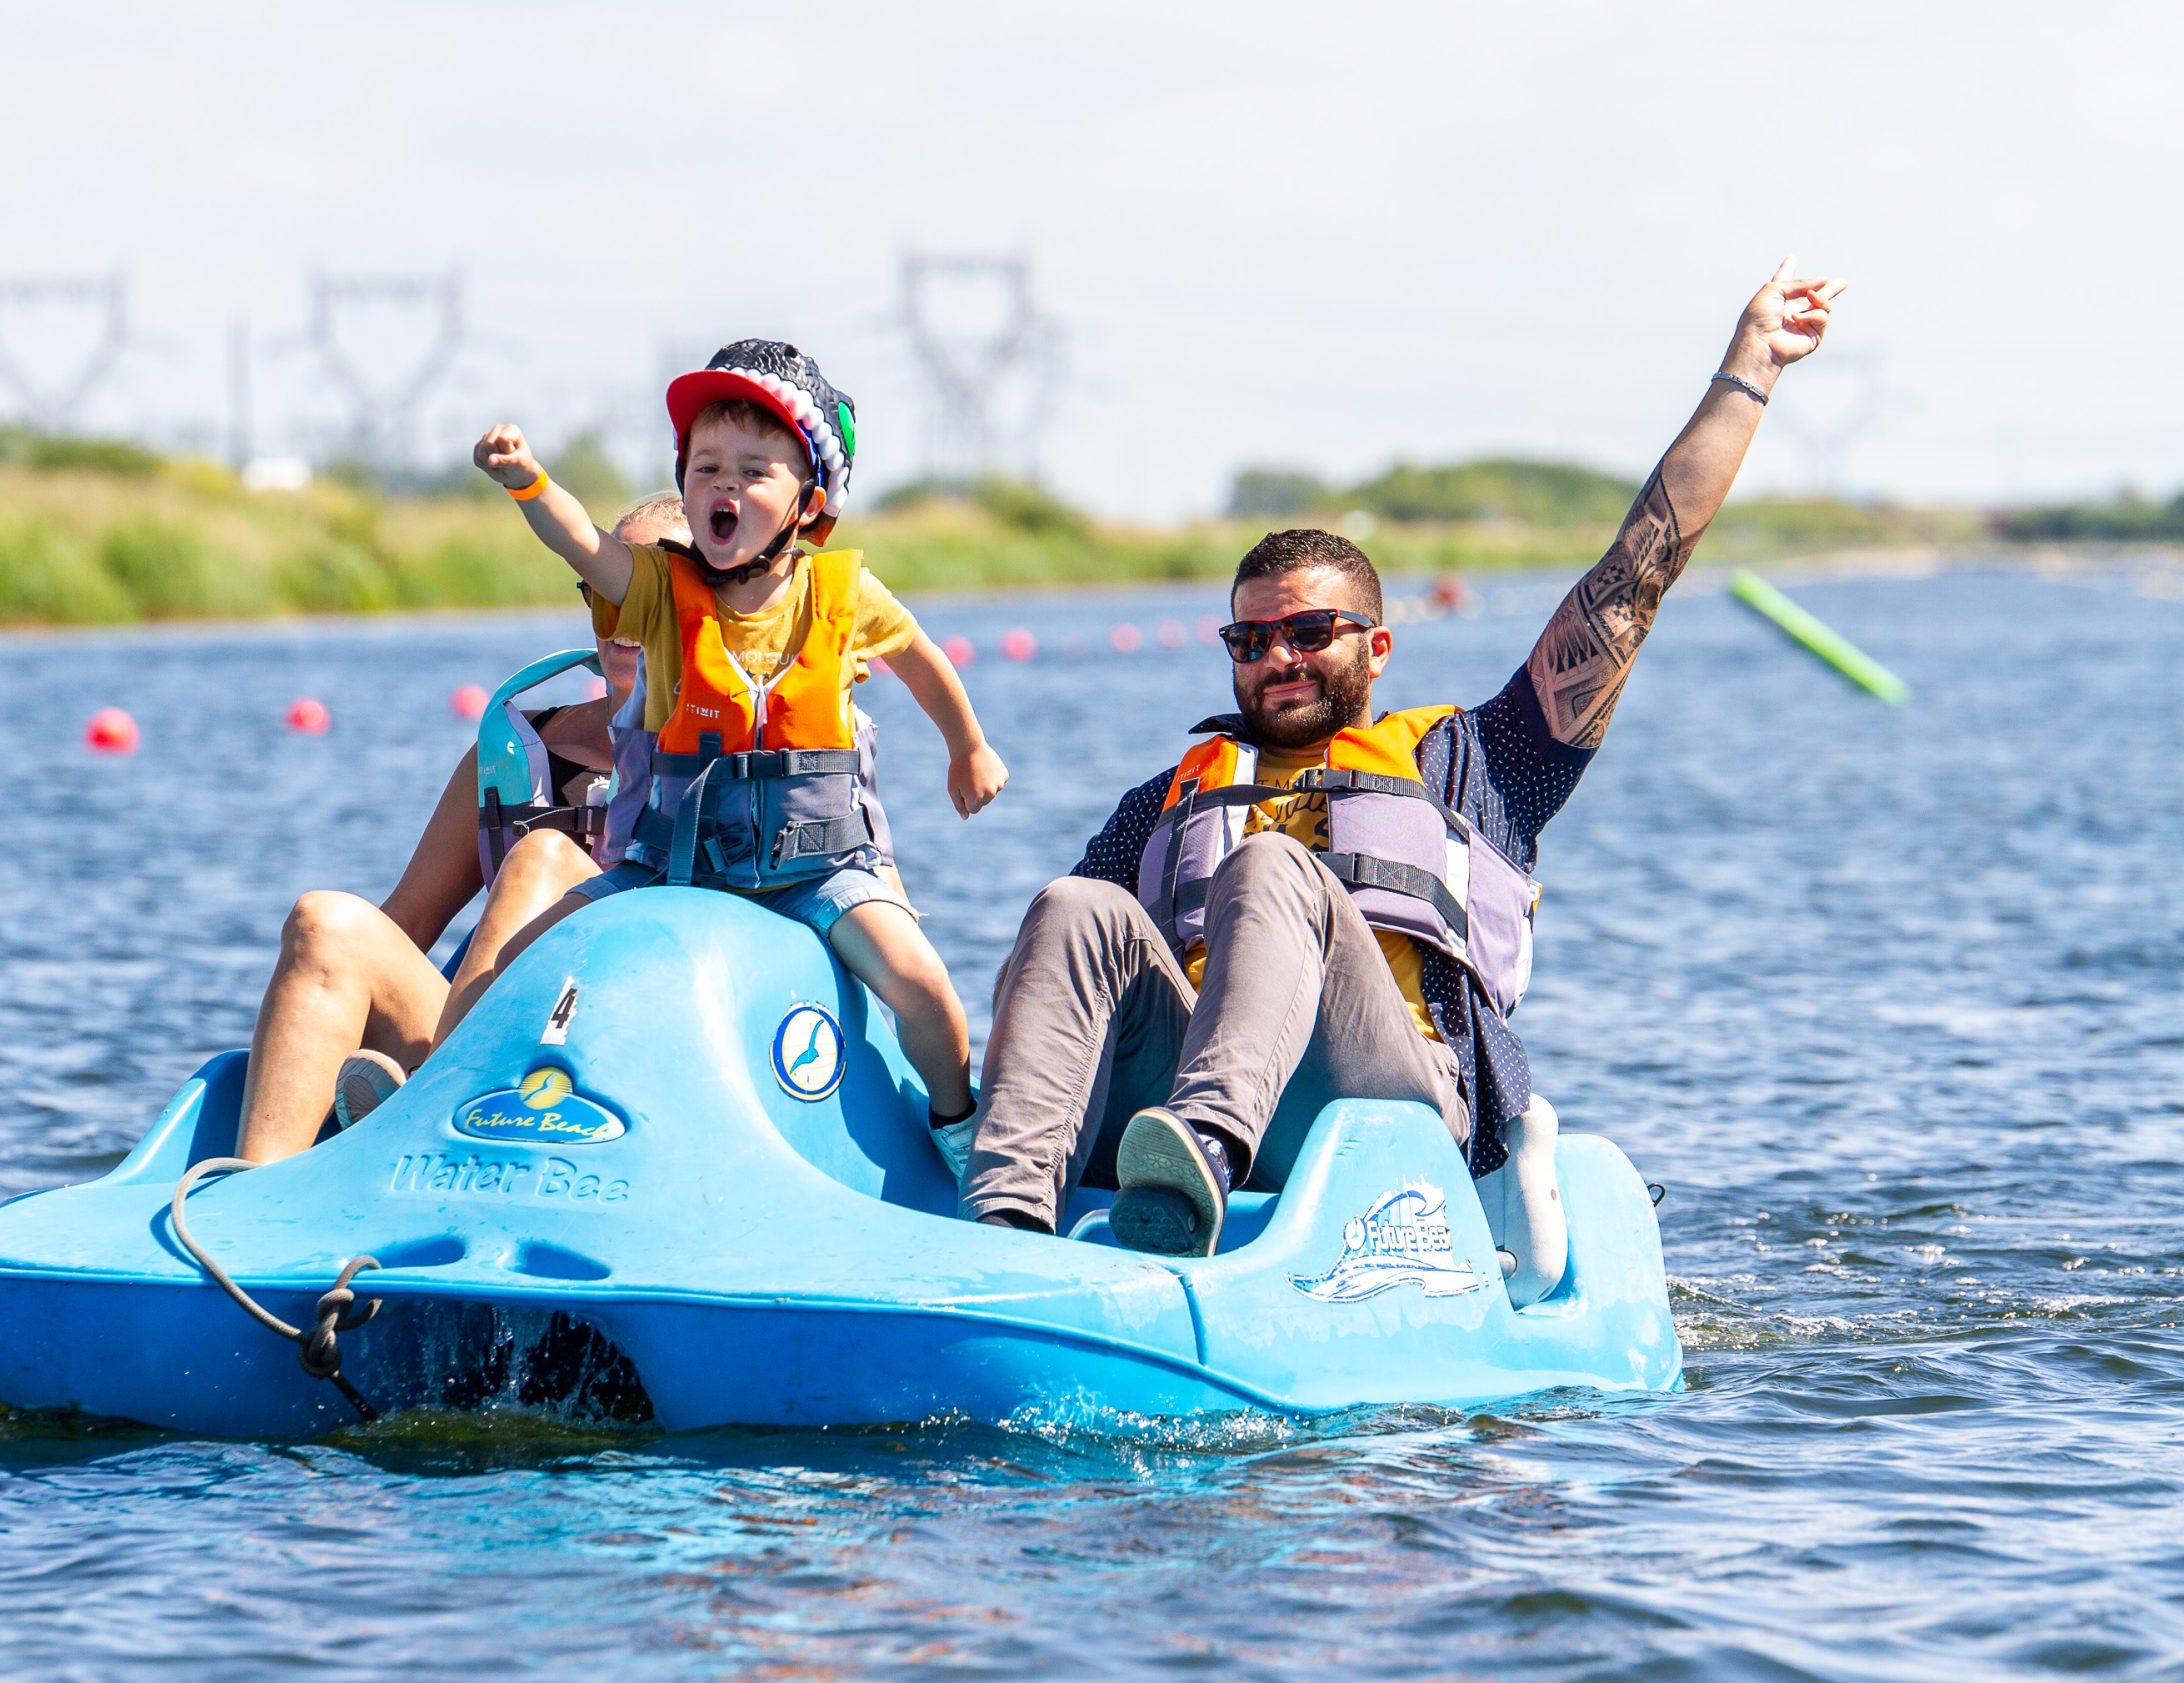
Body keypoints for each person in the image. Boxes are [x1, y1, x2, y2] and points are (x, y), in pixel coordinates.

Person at [952, 258, 1845, 1289]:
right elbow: (1063, 993)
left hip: (1381, 1110)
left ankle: (1197, 1158)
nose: (1277, 657)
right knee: (1073, 907)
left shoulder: (1475, 762)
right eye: (1251, 638)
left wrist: (1749, 371)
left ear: (1375, 649)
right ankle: (1006, 1233)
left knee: (1273, 871)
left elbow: (1633, 580)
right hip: (1178, 1095)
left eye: (1308, 631)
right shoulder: (1164, 801)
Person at [473, 339, 1009, 1125]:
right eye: (706, 467)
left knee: (923, 987)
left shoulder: (843, 592)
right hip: (667, 867)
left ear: (810, 501)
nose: (725, 482)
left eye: (754, 471)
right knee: (519, 961)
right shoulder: (657, 588)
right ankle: (444, 1093)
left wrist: (968, 746)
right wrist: (529, 484)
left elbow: (921, 661)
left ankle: (960, 1132)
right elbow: (582, 542)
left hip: (818, 873)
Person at [231, 494, 691, 1164]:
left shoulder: (738, 752)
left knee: (542, 858)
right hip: (487, 1040)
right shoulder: (519, 743)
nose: (622, 617)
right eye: (605, 589)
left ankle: (421, 1117)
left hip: (642, 1059)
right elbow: (405, 924)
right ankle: (245, 1210)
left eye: (647, 589)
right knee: (324, 923)